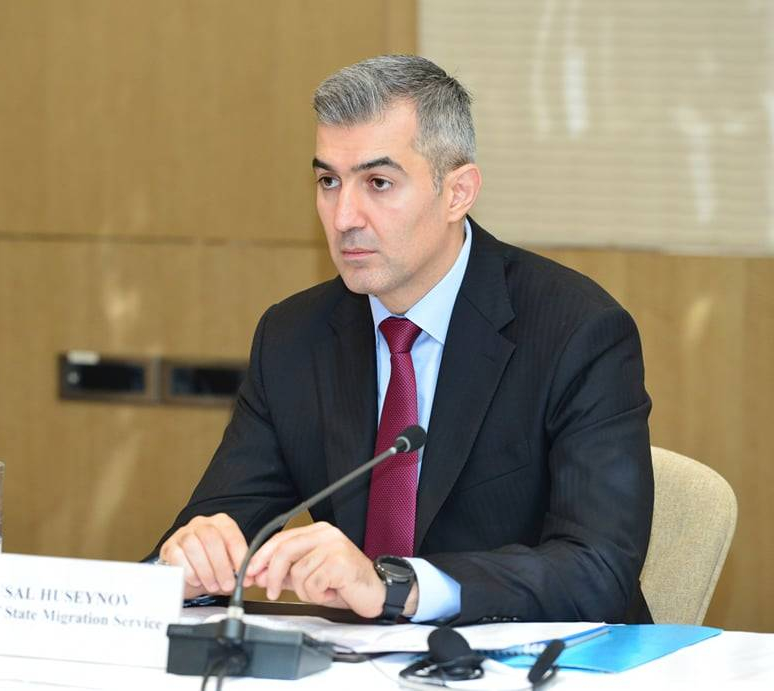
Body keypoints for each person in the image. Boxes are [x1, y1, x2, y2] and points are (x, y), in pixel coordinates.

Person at [152, 55, 654, 625]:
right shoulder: (293, 338)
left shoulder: (575, 330)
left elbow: (598, 569)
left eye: (378, 183)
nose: (344, 216)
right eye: (328, 181)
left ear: (458, 192)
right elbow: (214, 527)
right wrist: (186, 566)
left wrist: (398, 587)